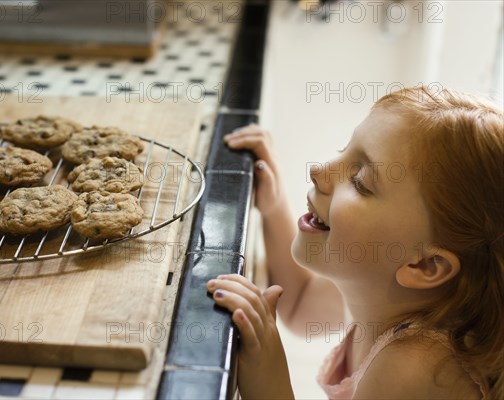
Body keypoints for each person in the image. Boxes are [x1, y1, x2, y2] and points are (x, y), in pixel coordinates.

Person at [207, 86, 503, 400]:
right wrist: (274, 205)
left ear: (425, 265)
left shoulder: (415, 368)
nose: (318, 171)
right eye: (343, 149)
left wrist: (269, 380)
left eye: (360, 181)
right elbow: (300, 304)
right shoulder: (383, 287)